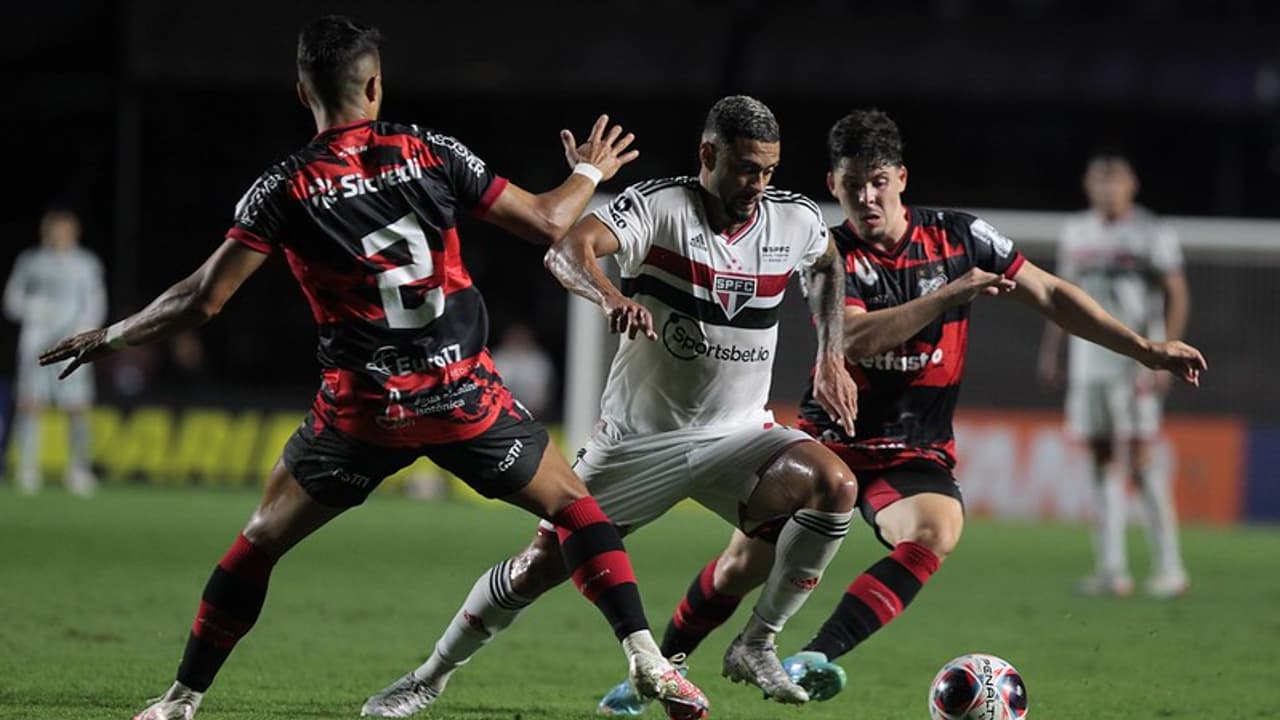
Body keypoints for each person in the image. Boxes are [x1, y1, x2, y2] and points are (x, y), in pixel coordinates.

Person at [39, 15, 706, 720]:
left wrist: (111, 335)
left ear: (303, 92)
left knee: (261, 540)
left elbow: (200, 301)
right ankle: (645, 657)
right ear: (376, 85)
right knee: (576, 510)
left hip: (363, 413)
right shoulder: (428, 150)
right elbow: (547, 222)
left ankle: (181, 700)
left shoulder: (284, 187)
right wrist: (589, 172)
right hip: (464, 401)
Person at [596, 109, 1207, 713]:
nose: (866, 196)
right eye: (852, 183)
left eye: (878, 181)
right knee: (739, 567)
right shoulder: (826, 252)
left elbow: (1048, 292)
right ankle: (658, 670)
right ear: (832, 185)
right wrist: (950, 295)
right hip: (827, 441)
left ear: (902, 179)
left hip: (913, 446)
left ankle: (816, 655)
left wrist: (1144, 348)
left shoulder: (960, 237)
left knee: (937, 530)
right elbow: (854, 339)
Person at [361, 95, 861, 718]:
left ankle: (757, 642)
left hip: (740, 433)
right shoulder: (661, 207)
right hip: (639, 439)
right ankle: (429, 676)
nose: (758, 184)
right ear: (708, 155)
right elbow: (567, 249)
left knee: (835, 485)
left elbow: (828, 265)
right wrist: (606, 296)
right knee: (535, 569)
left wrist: (831, 354)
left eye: (768, 170)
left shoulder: (794, 219)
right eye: (744, 168)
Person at [1038, 152, 1191, 599]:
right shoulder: (1076, 232)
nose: (1107, 190)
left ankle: (1170, 567)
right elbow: (1060, 299)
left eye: (1114, 181)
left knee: (1142, 460)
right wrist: (1054, 351)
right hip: (1089, 362)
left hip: (1135, 362)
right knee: (1100, 459)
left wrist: (1168, 350)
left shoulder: (1150, 232)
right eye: (1099, 182)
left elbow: (1177, 293)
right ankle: (1111, 568)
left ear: (1132, 185)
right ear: (1088, 187)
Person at [4, 208, 106, 496]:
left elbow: (96, 300)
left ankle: (78, 469)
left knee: (78, 406)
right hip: (36, 342)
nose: (60, 235)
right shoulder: (31, 262)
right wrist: (35, 309)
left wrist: (88, 329)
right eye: (55, 229)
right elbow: (12, 299)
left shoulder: (86, 264)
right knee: (30, 404)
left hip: (73, 343)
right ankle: (27, 468)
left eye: (65, 229)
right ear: (45, 232)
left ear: (75, 232)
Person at [490, 323, 556, 418]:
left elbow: (545, 389)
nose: (518, 340)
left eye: (521, 337)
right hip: (501, 414)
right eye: (514, 337)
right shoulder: (497, 357)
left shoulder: (539, 359)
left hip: (535, 413)